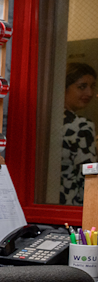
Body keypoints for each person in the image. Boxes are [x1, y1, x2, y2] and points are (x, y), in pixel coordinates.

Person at [61, 62, 97, 206]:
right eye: (82, 87)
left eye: (92, 86)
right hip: (74, 207)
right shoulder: (82, 126)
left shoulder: (48, 121)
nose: (89, 93)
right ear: (64, 88)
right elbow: (89, 176)